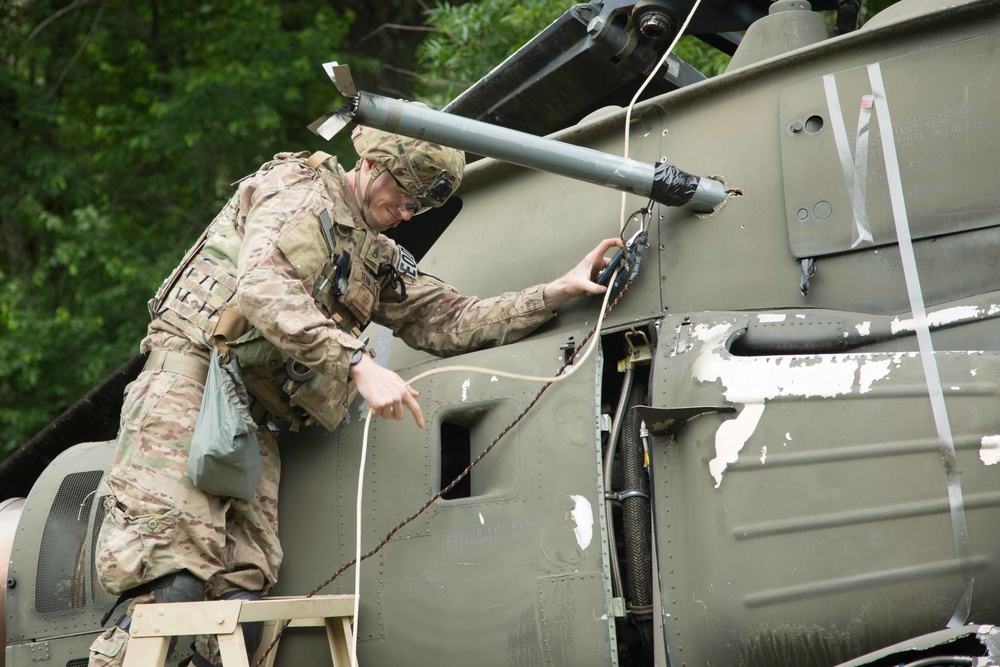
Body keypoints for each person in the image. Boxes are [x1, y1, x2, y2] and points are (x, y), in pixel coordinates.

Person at [87, 125, 623, 667]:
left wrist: (556, 291)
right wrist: (356, 362)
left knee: (242, 597)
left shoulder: (374, 253)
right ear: (372, 166)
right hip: (191, 384)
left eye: (418, 204)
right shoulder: (298, 191)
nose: (407, 212)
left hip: (251, 419)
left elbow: (447, 319)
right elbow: (262, 285)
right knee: (169, 582)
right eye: (404, 196)